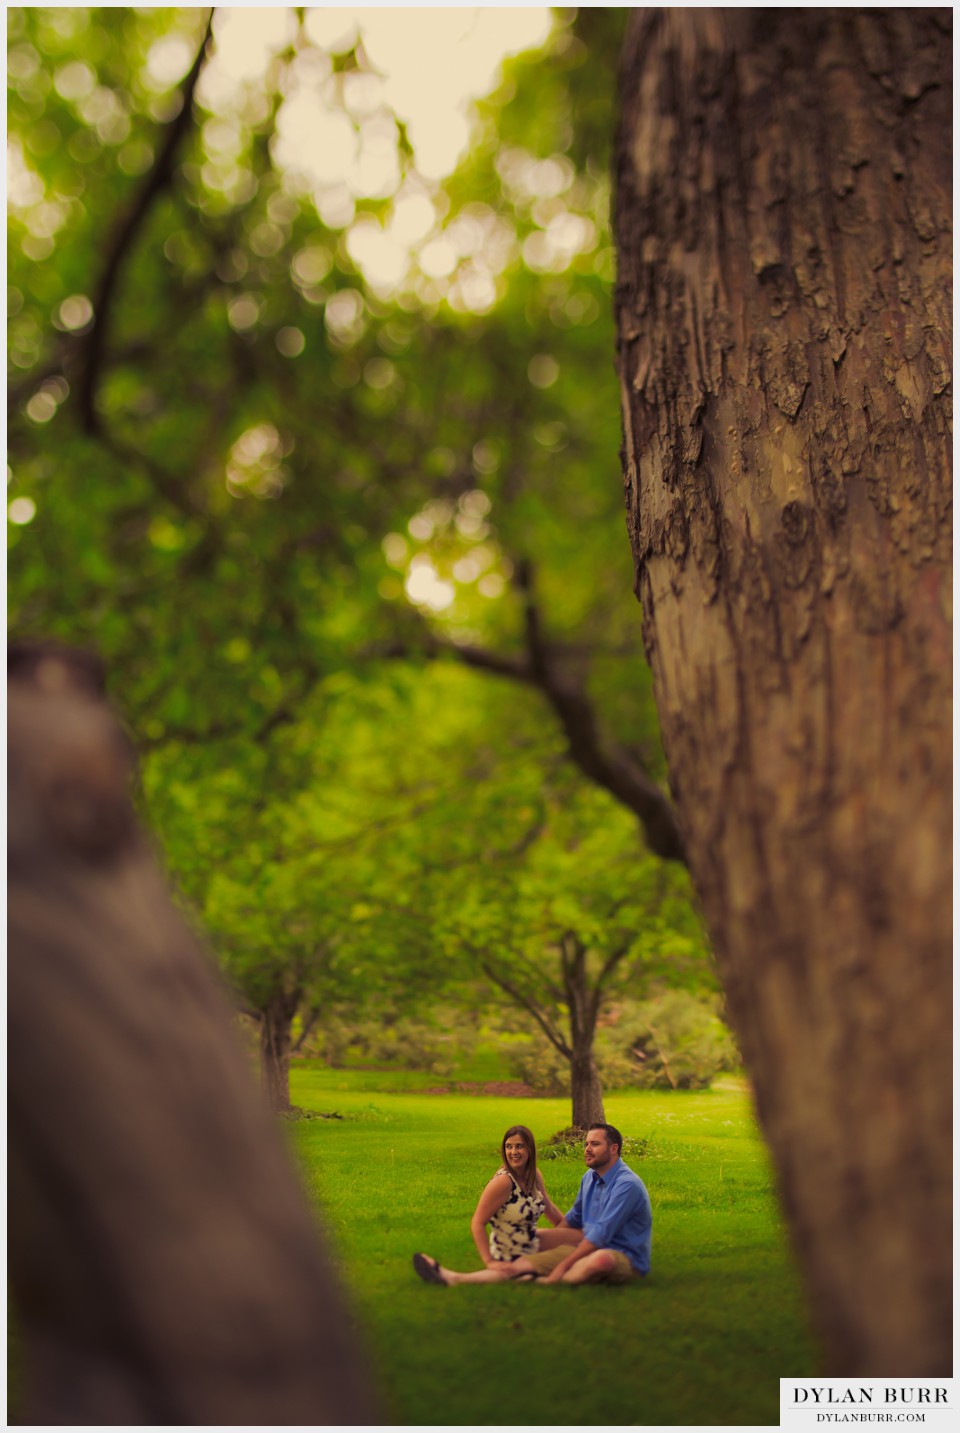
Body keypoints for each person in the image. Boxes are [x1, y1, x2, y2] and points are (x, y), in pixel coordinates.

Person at [413, 1122, 651, 1286]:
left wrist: (559, 1263)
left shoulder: (626, 1184)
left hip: (619, 1252)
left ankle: (545, 1280)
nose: (587, 1149)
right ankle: (455, 1278)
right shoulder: (589, 1177)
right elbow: (575, 1217)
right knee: (534, 1249)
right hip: (571, 1242)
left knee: (600, 1259)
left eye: (594, 1144)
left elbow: (598, 1233)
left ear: (614, 1149)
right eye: (586, 1143)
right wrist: (554, 1249)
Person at [413, 1125, 581, 1285]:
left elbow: (548, 1207)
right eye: (509, 1147)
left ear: (530, 1149)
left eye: (519, 1146)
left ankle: (532, 1273)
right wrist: (489, 1261)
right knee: (574, 1252)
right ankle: (452, 1277)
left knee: (583, 1239)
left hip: (529, 1237)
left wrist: (564, 1230)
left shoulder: (534, 1174)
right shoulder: (503, 1182)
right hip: (509, 1248)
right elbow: (477, 1222)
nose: (513, 1152)